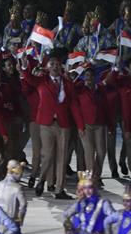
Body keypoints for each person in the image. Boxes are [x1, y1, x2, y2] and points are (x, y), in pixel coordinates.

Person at [19, 52, 84, 199]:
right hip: (46, 123)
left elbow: (74, 105)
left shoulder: (67, 84)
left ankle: (59, 189)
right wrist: (24, 66)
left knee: (62, 157)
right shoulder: (42, 81)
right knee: (47, 155)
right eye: (52, 64)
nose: (54, 66)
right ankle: (42, 180)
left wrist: (80, 126)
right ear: (48, 66)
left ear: (61, 67)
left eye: (57, 64)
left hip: (63, 124)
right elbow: (28, 78)